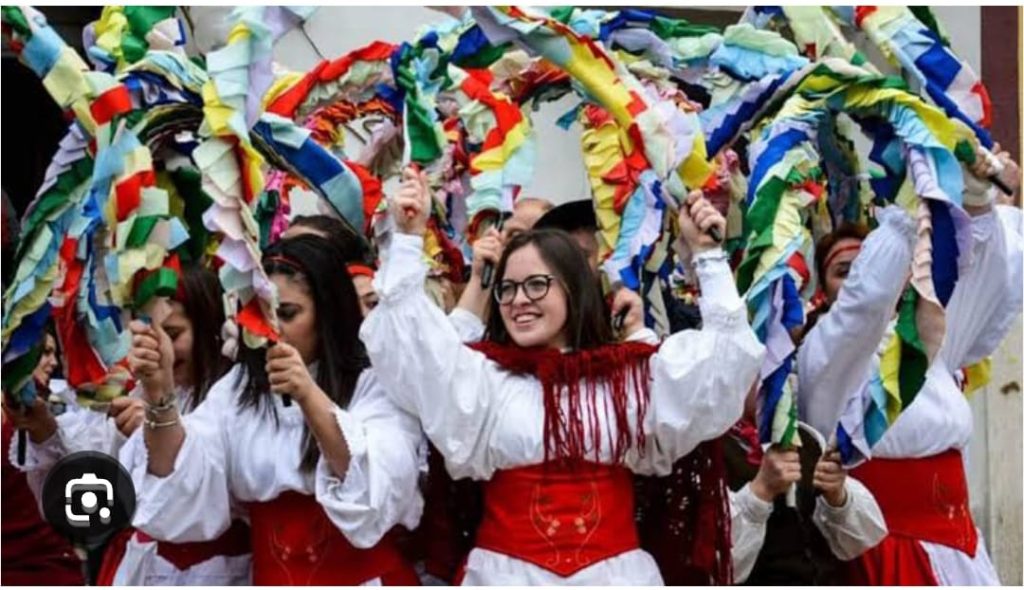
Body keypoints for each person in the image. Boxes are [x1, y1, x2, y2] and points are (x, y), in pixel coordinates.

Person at [362, 167, 765, 584]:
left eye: (536, 285)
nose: (519, 301)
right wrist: (407, 239)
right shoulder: (484, 378)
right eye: (508, 288)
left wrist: (708, 256)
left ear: (573, 289)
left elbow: (726, 363)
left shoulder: (627, 380)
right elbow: (406, 345)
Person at [122, 234, 424, 585]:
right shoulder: (239, 390)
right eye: (261, 313)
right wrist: (161, 395)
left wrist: (308, 395)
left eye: (287, 313)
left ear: (326, 312)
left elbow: (379, 486)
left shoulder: (373, 383)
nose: (272, 328)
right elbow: (185, 481)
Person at [798, 149, 1023, 585]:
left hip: (960, 556)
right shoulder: (826, 356)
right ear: (823, 289)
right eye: (843, 270)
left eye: (861, 264)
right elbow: (866, 303)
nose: (856, 276)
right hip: (888, 560)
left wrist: (976, 197)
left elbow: (985, 280)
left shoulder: (927, 346)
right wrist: (920, 198)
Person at [6, 266, 252, 585]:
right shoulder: (131, 393)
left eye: (173, 334)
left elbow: (217, 493)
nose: (159, 351)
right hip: (140, 568)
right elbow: (88, 509)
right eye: (149, 336)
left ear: (209, 329)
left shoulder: (234, 400)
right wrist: (45, 431)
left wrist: (157, 430)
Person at [2, 327, 83, 586]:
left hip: (44, 567)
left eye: (53, 353)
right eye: (45, 353)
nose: (53, 362)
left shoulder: (43, 412)